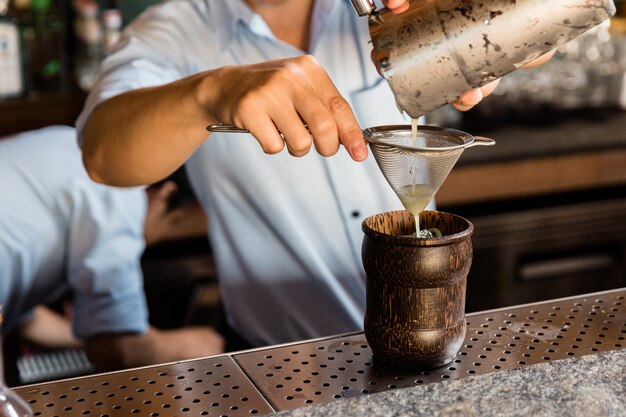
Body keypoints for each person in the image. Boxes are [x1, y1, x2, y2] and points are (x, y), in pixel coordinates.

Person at [77, 0, 551, 347]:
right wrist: (210, 91)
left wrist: (490, 16)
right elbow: (102, 153)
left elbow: (548, 23)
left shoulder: (376, 7)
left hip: (427, 337)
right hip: (284, 365)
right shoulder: (175, 32)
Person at [0, 125, 224, 372]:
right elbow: (119, 352)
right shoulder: (120, 188)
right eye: (173, 225)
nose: (150, 242)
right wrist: (190, 345)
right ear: (164, 196)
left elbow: (27, 320)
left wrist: (90, 336)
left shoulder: (75, 144)